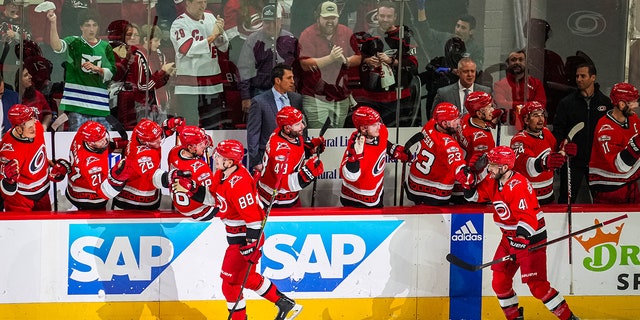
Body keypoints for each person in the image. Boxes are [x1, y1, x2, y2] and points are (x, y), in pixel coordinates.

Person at [464, 146, 580, 320]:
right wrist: (469, 178)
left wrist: (520, 240)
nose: (489, 168)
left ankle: (569, 318)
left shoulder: (518, 186)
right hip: (509, 239)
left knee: (537, 286)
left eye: (493, 165)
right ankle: (515, 317)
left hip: (532, 238)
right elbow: (473, 197)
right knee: (499, 282)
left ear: (504, 167)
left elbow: (528, 217)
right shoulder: (491, 180)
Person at [209, 139, 303, 320]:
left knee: (230, 285)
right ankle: (285, 304)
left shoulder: (240, 183)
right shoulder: (222, 174)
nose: (216, 157)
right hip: (238, 236)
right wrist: (191, 189)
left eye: (220, 155)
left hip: (245, 238)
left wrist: (252, 244)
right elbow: (213, 197)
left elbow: (254, 219)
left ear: (230, 161)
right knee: (248, 279)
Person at [46, 9, 117, 131]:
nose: (91, 29)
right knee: (78, 143)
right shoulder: (73, 42)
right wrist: (53, 23)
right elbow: (57, 46)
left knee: (100, 144)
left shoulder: (105, 47)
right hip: (76, 106)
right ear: (81, 27)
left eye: (94, 25)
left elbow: (112, 72)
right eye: (87, 25)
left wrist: (98, 69)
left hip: (99, 106)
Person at [352, 1, 418, 127]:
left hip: (397, 98)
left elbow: (414, 64)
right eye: (382, 16)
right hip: (370, 98)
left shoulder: (406, 37)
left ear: (395, 17)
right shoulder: (367, 35)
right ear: (377, 15)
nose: (385, 19)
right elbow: (356, 58)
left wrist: (392, 61)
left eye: (389, 16)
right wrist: (366, 60)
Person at [553, 63, 612, 204]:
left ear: (593, 77)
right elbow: (558, 130)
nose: (579, 79)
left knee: (601, 201)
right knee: (566, 200)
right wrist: (562, 149)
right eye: (577, 76)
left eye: (583, 76)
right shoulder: (566, 103)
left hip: (598, 162)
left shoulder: (606, 102)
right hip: (573, 161)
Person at [298, 1, 361, 128]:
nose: (330, 21)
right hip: (316, 96)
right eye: (326, 18)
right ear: (318, 17)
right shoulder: (307, 34)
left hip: (341, 96)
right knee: (318, 136)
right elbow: (304, 63)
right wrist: (330, 58)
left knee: (337, 137)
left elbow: (358, 58)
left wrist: (346, 61)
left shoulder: (346, 32)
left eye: (333, 18)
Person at [170, 0, 229, 129]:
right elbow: (187, 48)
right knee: (190, 126)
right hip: (189, 86)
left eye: (205, 1)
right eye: (198, 2)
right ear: (187, 3)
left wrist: (220, 34)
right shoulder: (179, 23)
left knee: (213, 124)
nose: (203, 5)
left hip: (212, 83)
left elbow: (224, 47)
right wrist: (213, 36)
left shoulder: (210, 17)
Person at [404, 102, 476, 205]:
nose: (459, 122)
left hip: (413, 183)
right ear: (444, 124)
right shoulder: (448, 144)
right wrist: (464, 174)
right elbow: (457, 164)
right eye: (455, 120)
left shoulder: (430, 124)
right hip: (436, 192)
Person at [0, 104, 69, 212]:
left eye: (33, 123)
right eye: (30, 127)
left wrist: (51, 164)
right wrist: (9, 182)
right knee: (21, 229)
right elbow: (5, 189)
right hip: (20, 198)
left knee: (46, 226)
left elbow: (37, 154)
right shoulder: (8, 150)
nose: (34, 128)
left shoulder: (36, 126)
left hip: (43, 192)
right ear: (18, 129)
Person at [340, 106, 409, 207]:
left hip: (377, 190)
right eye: (374, 124)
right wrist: (354, 157)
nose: (379, 126)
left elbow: (382, 143)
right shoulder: (356, 148)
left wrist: (392, 149)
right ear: (363, 128)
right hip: (357, 197)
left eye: (378, 122)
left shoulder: (381, 131)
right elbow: (350, 176)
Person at [257, 106, 324, 208]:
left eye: (301, 121)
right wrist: (308, 174)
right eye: (297, 124)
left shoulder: (284, 133)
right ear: (287, 128)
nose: (302, 126)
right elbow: (284, 183)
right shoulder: (281, 154)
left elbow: (293, 153)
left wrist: (309, 148)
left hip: (286, 196)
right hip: (277, 200)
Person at [510, 101, 576, 204]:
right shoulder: (519, 140)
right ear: (526, 120)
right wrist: (545, 163)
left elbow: (555, 155)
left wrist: (564, 150)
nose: (541, 119)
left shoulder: (546, 132)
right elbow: (529, 167)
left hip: (549, 195)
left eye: (542, 115)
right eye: (535, 115)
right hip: (527, 198)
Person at [238, 3, 299, 115]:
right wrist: (245, 97)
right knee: (262, 126)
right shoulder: (252, 40)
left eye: (274, 21)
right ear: (262, 22)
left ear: (280, 21)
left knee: (287, 125)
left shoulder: (290, 39)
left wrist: (294, 87)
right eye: (267, 22)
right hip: (260, 91)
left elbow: (297, 67)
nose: (271, 25)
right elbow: (244, 69)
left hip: (286, 91)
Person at [112, 118, 183, 210]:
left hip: (126, 192)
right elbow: (153, 175)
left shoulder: (138, 132)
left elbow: (156, 133)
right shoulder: (142, 155)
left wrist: (170, 124)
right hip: (140, 201)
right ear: (144, 142)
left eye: (159, 136)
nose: (160, 141)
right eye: (154, 140)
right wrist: (170, 177)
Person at [589, 83, 640, 204]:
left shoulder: (633, 118)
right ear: (622, 104)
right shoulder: (605, 129)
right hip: (610, 188)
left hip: (631, 183)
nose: (636, 106)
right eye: (632, 102)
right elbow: (620, 166)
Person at [65, 121, 134, 210]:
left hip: (75, 185)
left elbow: (100, 144)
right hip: (88, 197)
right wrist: (117, 177)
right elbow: (104, 192)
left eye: (105, 136)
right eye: (100, 140)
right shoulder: (92, 165)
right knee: (96, 222)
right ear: (91, 143)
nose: (105, 141)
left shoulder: (83, 132)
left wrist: (113, 144)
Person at [246, 64, 303, 171]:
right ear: (278, 80)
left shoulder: (297, 99)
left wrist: (303, 151)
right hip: (268, 158)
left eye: (293, 77)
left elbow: (302, 127)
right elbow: (253, 133)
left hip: (293, 156)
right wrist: (256, 161)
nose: (293, 81)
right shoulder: (259, 102)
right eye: (289, 78)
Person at [133, 24, 176, 124]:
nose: (159, 44)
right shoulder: (138, 56)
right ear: (146, 40)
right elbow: (141, 85)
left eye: (160, 40)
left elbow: (163, 82)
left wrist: (168, 74)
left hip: (163, 104)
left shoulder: (160, 54)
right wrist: (162, 73)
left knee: (163, 136)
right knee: (148, 136)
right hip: (145, 106)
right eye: (156, 41)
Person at [493, 50, 546, 131]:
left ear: (526, 63)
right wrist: (527, 105)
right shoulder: (499, 84)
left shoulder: (536, 84)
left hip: (532, 127)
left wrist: (513, 104)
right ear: (508, 63)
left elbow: (540, 105)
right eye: (513, 60)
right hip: (506, 127)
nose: (517, 62)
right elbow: (501, 104)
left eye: (521, 60)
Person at [416, 11, 484, 70]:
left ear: (471, 31)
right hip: (442, 81)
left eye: (463, 28)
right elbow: (426, 32)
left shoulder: (476, 49)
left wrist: (450, 70)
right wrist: (421, 9)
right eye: (457, 26)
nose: (458, 30)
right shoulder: (446, 38)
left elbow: (476, 70)